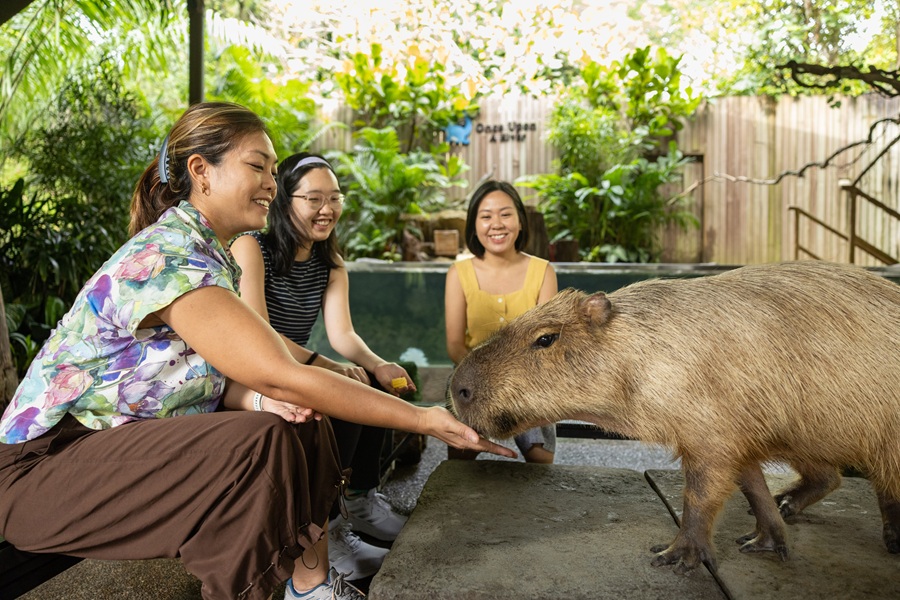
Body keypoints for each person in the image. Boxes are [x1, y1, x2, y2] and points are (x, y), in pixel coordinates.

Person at [0, 102, 515, 600]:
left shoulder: (211, 256)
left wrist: (264, 399)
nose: (272, 182)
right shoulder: (167, 256)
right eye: (258, 166)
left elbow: (218, 380)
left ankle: (307, 586)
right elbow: (277, 372)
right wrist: (421, 419)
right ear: (202, 171)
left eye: (273, 169)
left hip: (114, 450)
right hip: (44, 469)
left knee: (297, 418)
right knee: (264, 436)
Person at [230, 152, 413, 580]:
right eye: (313, 199)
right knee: (334, 392)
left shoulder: (329, 263)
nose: (327, 209)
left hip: (291, 365)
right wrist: (325, 366)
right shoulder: (250, 247)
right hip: (255, 372)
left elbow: (343, 334)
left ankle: (362, 502)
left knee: (371, 382)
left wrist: (376, 365)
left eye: (334, 198)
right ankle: (328, 527)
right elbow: (258, 333)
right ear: (284, 201)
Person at [444, 179, 558, 464]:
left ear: (520, 221)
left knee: (541, 461)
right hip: (472, 379)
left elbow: (549, 343)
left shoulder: (542, 271)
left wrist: (514, 384)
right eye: (486, 216)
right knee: (460, 459)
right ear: (474, 225)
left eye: (505, 214)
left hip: (529, 383)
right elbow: (455, 344)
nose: (497, 224)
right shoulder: (458, 273)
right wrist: (484, 379)